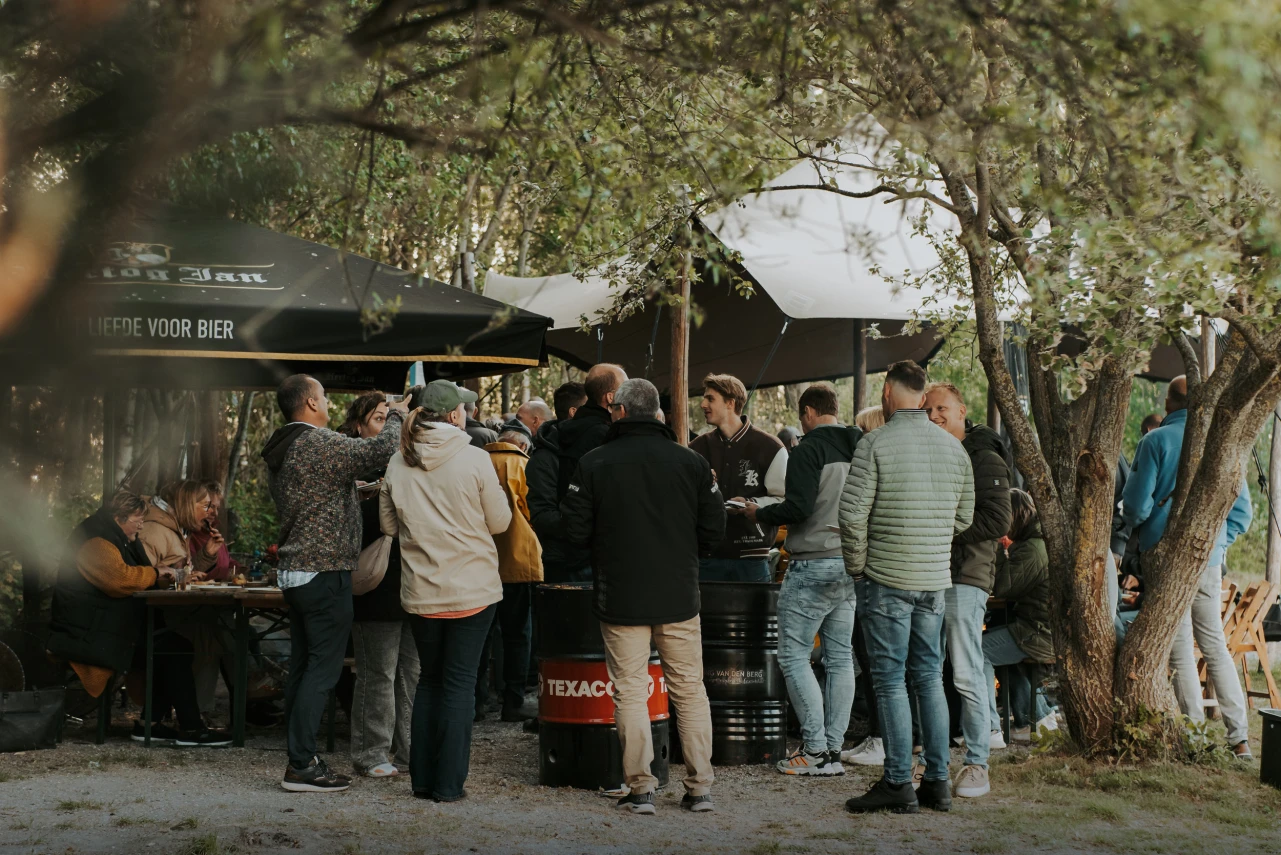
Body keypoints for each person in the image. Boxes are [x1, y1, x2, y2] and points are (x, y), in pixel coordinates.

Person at [561, 378, 726, 815]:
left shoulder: (594, 462)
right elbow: (715, 529)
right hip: (677, 594)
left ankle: (641, 789)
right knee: (689, 691)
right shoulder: (690, 463)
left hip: (621, 597)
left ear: (617, 410)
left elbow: (573, 531)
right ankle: (700, 788)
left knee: (630, 692)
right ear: (658, 414)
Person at [261, 373, 408, 793]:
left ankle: (300, 757)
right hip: (323, 571)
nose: (328, 402)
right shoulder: (317, 442)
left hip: (298, 571)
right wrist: (396, 413)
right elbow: (382, 447)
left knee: (305, 669)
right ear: (309, 403)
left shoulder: (284, 444)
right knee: (321, 674)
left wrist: (353, 492)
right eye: (323, 396)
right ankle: (301, 766)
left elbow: (314, 495)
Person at [840, 360, 974, 815]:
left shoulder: (874, 443)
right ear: (921, 398)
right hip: (933, 580)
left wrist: (858, 566)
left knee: (890, 681)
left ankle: (898, 781)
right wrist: (931, 540)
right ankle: (937, 781)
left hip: (887, 579)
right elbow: (964, 518)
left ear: (886, 393)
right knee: (929, 678)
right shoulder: (956, 449)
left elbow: (852, 514)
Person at [380, 380, 511, 802]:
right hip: (473, 590)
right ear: (455, 415)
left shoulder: (398, 462)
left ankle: (421, 781)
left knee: (430, 683)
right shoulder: (475, 459)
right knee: (458, 684)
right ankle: (449, 785)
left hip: (421, 592)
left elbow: (387, 527)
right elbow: (500, 522)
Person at [1122, 375, 1254, 759]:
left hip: (1162, 558)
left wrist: (1147, 521)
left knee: (1180, 647)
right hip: (1207, 561)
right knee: (1214, 643)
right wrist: (1214, 544)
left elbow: (1135, 507)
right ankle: (1239, 738)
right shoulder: (1221, 444)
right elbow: (1242, 513)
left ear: (1167, 402)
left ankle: (1195, 737)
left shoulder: (1155, 441)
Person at [47, 491, 231, 747]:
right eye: (137, 519)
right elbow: (120, 580)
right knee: (172, 649)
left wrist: (166, 575)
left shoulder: (119, 536)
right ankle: (191, 728)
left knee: (173, 645)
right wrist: (156, 572)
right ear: (118, 517)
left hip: (104, 625)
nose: (142, 525)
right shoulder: (96, 540)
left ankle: (152, 724)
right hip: (88, 632)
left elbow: (138, 574)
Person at [744, 383, 861, 776]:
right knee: (840, 658)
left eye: (800, 416)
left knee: (793, 656)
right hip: (850, 561)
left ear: (809, 412)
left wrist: (756, 513)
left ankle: (813, 750)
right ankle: (832, 750)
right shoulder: (860, 443)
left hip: (812, 561)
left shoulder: (808, 448)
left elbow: (799, 506)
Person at [924, 382, 1012, 799]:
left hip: (966, 577)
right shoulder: (934, 452)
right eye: (928, 410)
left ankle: (978, 764)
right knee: (926, 671)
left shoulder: (984, 455)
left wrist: (943, 532)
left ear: (962, 410)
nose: (935, 415)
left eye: (942, 408)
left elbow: (997, 520)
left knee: (965, 670)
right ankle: (933, 761)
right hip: (927, 574)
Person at [338, 392, 420, 779]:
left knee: (412, 673)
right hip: (375, 587)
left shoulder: (412, 462)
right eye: (379, 419)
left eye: (394, 420)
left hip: (415, 585)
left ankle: (410, 750)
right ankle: (371, 753)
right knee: (378, 673)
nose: (389, 428)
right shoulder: (343, 464)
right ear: (358, 425)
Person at [690, 373, 788, 582]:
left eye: (710, 398)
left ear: (730, 403)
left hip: (752, 558)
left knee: (753, 616)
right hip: (707, 557)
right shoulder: (697, 447)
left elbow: (784, 500)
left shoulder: (770, 447)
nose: (702, 404)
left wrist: (752, 504)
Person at [479, 429, 543, 721]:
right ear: (519, 444)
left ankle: (476, 702)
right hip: (517, 560)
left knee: (482, 636)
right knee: (518, 634)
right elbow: (532, 511)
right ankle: (513, 701)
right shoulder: (522, 464)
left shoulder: (477, 461)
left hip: (481, 560)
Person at [983, 489, 1054, 739]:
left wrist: (999, 548)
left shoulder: (1032, 548)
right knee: (997, 646)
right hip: (1037, 629)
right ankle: (1039, 718)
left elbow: (1002, 586)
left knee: (977, 653)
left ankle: (989, 726)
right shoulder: (1035, 542)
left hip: (1036, 634)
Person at [554, 363, 628, 577]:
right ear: (611, 397)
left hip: (572, 544)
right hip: (595, 550)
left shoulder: (568, 429)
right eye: (625, 388)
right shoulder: (605, 436)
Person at [528, 382, 587, 585]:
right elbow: (542, 513)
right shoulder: (545, 456)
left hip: (591, 558)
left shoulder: (591, 447)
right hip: (563, 563)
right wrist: (582, 526)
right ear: (574, 412)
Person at [138, 480, 219, 578]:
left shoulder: (179, 530)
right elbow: (139, 578)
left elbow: (179, 575)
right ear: (188, 505)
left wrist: (207, 554)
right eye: (206, 506)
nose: (209, 512)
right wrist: (180, 576)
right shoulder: (155, 532)